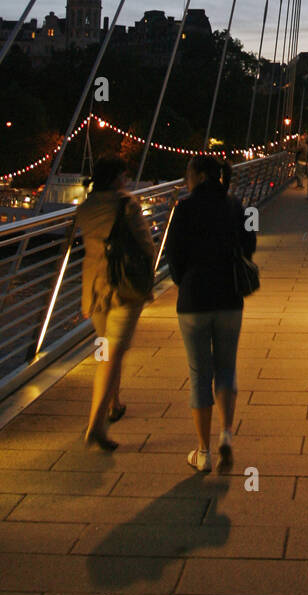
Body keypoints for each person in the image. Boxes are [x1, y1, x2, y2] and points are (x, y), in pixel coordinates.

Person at [166, 154, 254, 472]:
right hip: (230, 299)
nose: (186, 180)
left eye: (189, 175)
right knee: (226, 370)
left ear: (200, 176)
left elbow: (174, 257)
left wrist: (185, 281)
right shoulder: (236, 206)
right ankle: (226, 436)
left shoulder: (184, 209)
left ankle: (203, 453)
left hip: (194, 300)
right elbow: (249, 245)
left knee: (200, 376)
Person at [72, 158, 155, 451]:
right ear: (119, 178)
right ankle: (96, 426)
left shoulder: (85, 207)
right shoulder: (127, 205)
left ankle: (114, 404)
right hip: (124, 287)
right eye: (125, 176)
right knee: (113, 355)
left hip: (94, 289)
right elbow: (146, 245)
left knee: (106, 349)